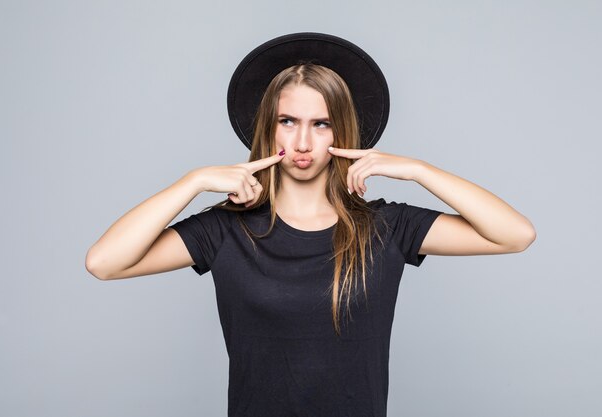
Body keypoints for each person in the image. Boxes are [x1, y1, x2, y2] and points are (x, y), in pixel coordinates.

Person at [85, 33, 536, 417]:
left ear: (341, 132)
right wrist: (193, 182)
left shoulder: (386, 226)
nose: (303, 142)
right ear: (270, 128)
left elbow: (516, 235)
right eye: (289, 121)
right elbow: (104, 263)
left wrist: (419, 170)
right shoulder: (225, 230)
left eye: (321, 124)